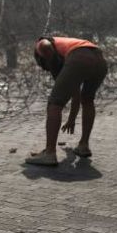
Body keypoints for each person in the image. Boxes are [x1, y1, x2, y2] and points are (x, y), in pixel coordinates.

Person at [26, 36, 109, 166]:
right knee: (87, 100)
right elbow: (75, 94)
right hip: (99, 61)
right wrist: (71, 119)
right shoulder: (66, 48)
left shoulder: (42, 43)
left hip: (80, 57)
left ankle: (49, 153)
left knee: (54, 104)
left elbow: (45, 46)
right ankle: (83, 145)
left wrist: (52, 65)